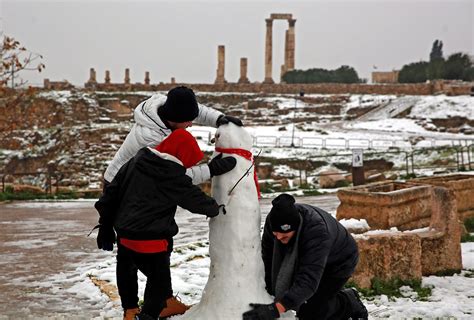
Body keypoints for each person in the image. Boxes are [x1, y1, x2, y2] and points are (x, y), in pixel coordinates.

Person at [94, 129, 235, 320]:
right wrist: (214, 208)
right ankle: (151, 315)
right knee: (158, 282)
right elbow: (195, 200)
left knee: (126, 268)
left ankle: (130, 310)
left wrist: (105, 225)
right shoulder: (171, 174)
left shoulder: (136, 161)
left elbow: (110, 193)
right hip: (151, 241)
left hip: (125, 234)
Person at [243, 194, 368, 320]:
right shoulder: (273, 222)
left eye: (285, 236)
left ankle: (349, 302)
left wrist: (276, 309)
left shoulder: (316, 231)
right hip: (307, 257)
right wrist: (269, 293)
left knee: (311, 311)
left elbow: (309, 278)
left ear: (296, 228)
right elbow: (268, 259)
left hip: (339, 261)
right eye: (276, 235)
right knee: (300, 300)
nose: (279, 239)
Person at [103, 85, 242, 186]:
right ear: (176, 119)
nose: (191, 125)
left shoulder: (168, 107)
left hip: (140, 178)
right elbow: (173, 175)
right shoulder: (151, 139)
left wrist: (218, 119)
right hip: (119, 184)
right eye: (188, 121)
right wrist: (211, 169)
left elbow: (196, 111)